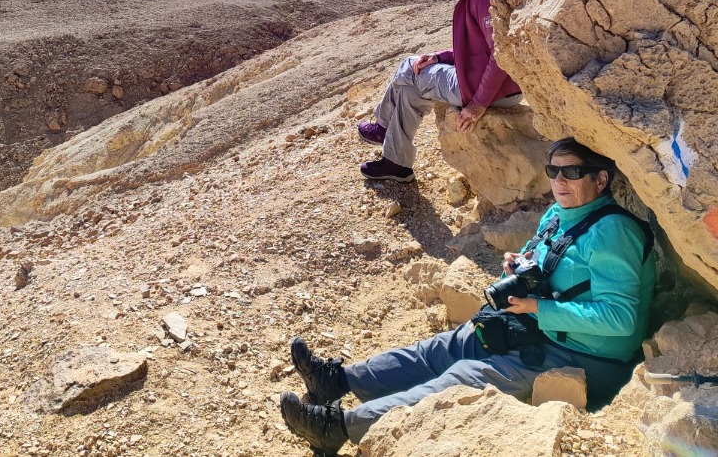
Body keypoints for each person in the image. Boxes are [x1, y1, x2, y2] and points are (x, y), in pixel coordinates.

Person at [279, 138, 657, 454]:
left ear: (601, 179)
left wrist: (539, 308)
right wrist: (518, 264)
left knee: (467, 376)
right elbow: (540, 257)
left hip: (585, 354)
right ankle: (339, 382)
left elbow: (619, 320)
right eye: (553, 171)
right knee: (447, 346)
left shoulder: (613, 233)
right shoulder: (559, 214)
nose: (559, 180)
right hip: (537, 324)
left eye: (572, 172)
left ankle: (339, 428)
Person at [357, 0, 522, 183]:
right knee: (409, 90)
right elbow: (477, 51)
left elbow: (502, 52)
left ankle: (382, 127)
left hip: (492, 91)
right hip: (497, 85)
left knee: (408, 66)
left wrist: (478, 105)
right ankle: (396, 164)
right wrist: (439, 57)